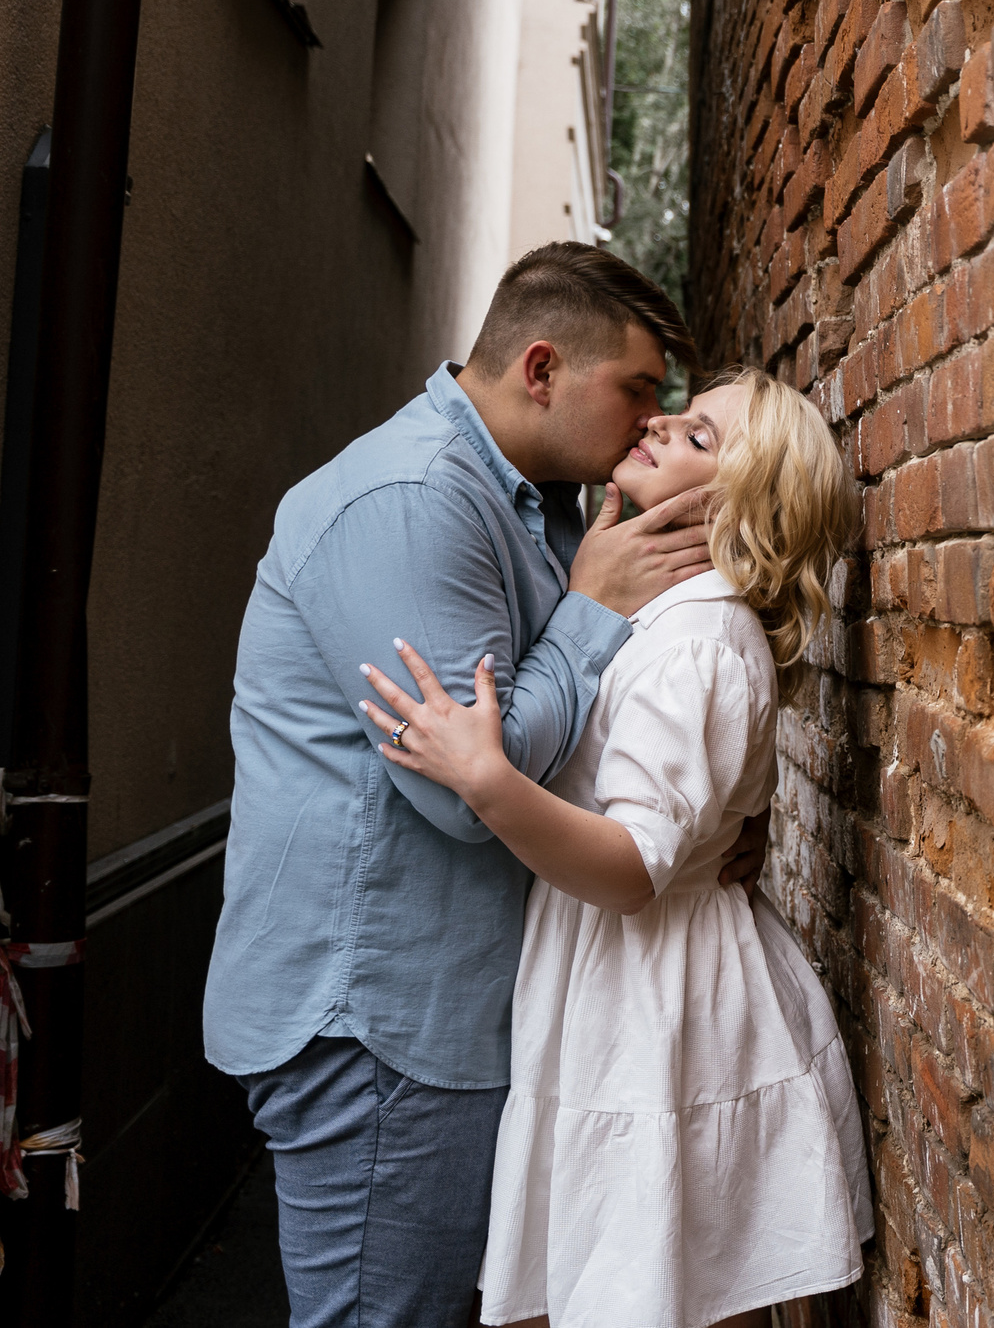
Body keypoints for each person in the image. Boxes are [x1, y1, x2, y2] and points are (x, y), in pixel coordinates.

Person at [206, 243, 768, 1328]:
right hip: (381, 1022)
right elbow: (472, 787)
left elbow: (606, 729)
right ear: (543, 369)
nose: (651, 419)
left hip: (455, 1014)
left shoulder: (544, 502)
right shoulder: (412, 502)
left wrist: (711, 824)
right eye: (638, 389)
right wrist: (590, 606)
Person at [355, 366, 873, 1328]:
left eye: (701, 437)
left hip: (658, 1001)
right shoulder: (666, 617)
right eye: (683, 414)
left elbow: (634, 866)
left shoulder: (701, 640)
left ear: (739, 508)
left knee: (664, 1280)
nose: (664, 422)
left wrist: (488, 780)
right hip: (614, 980)